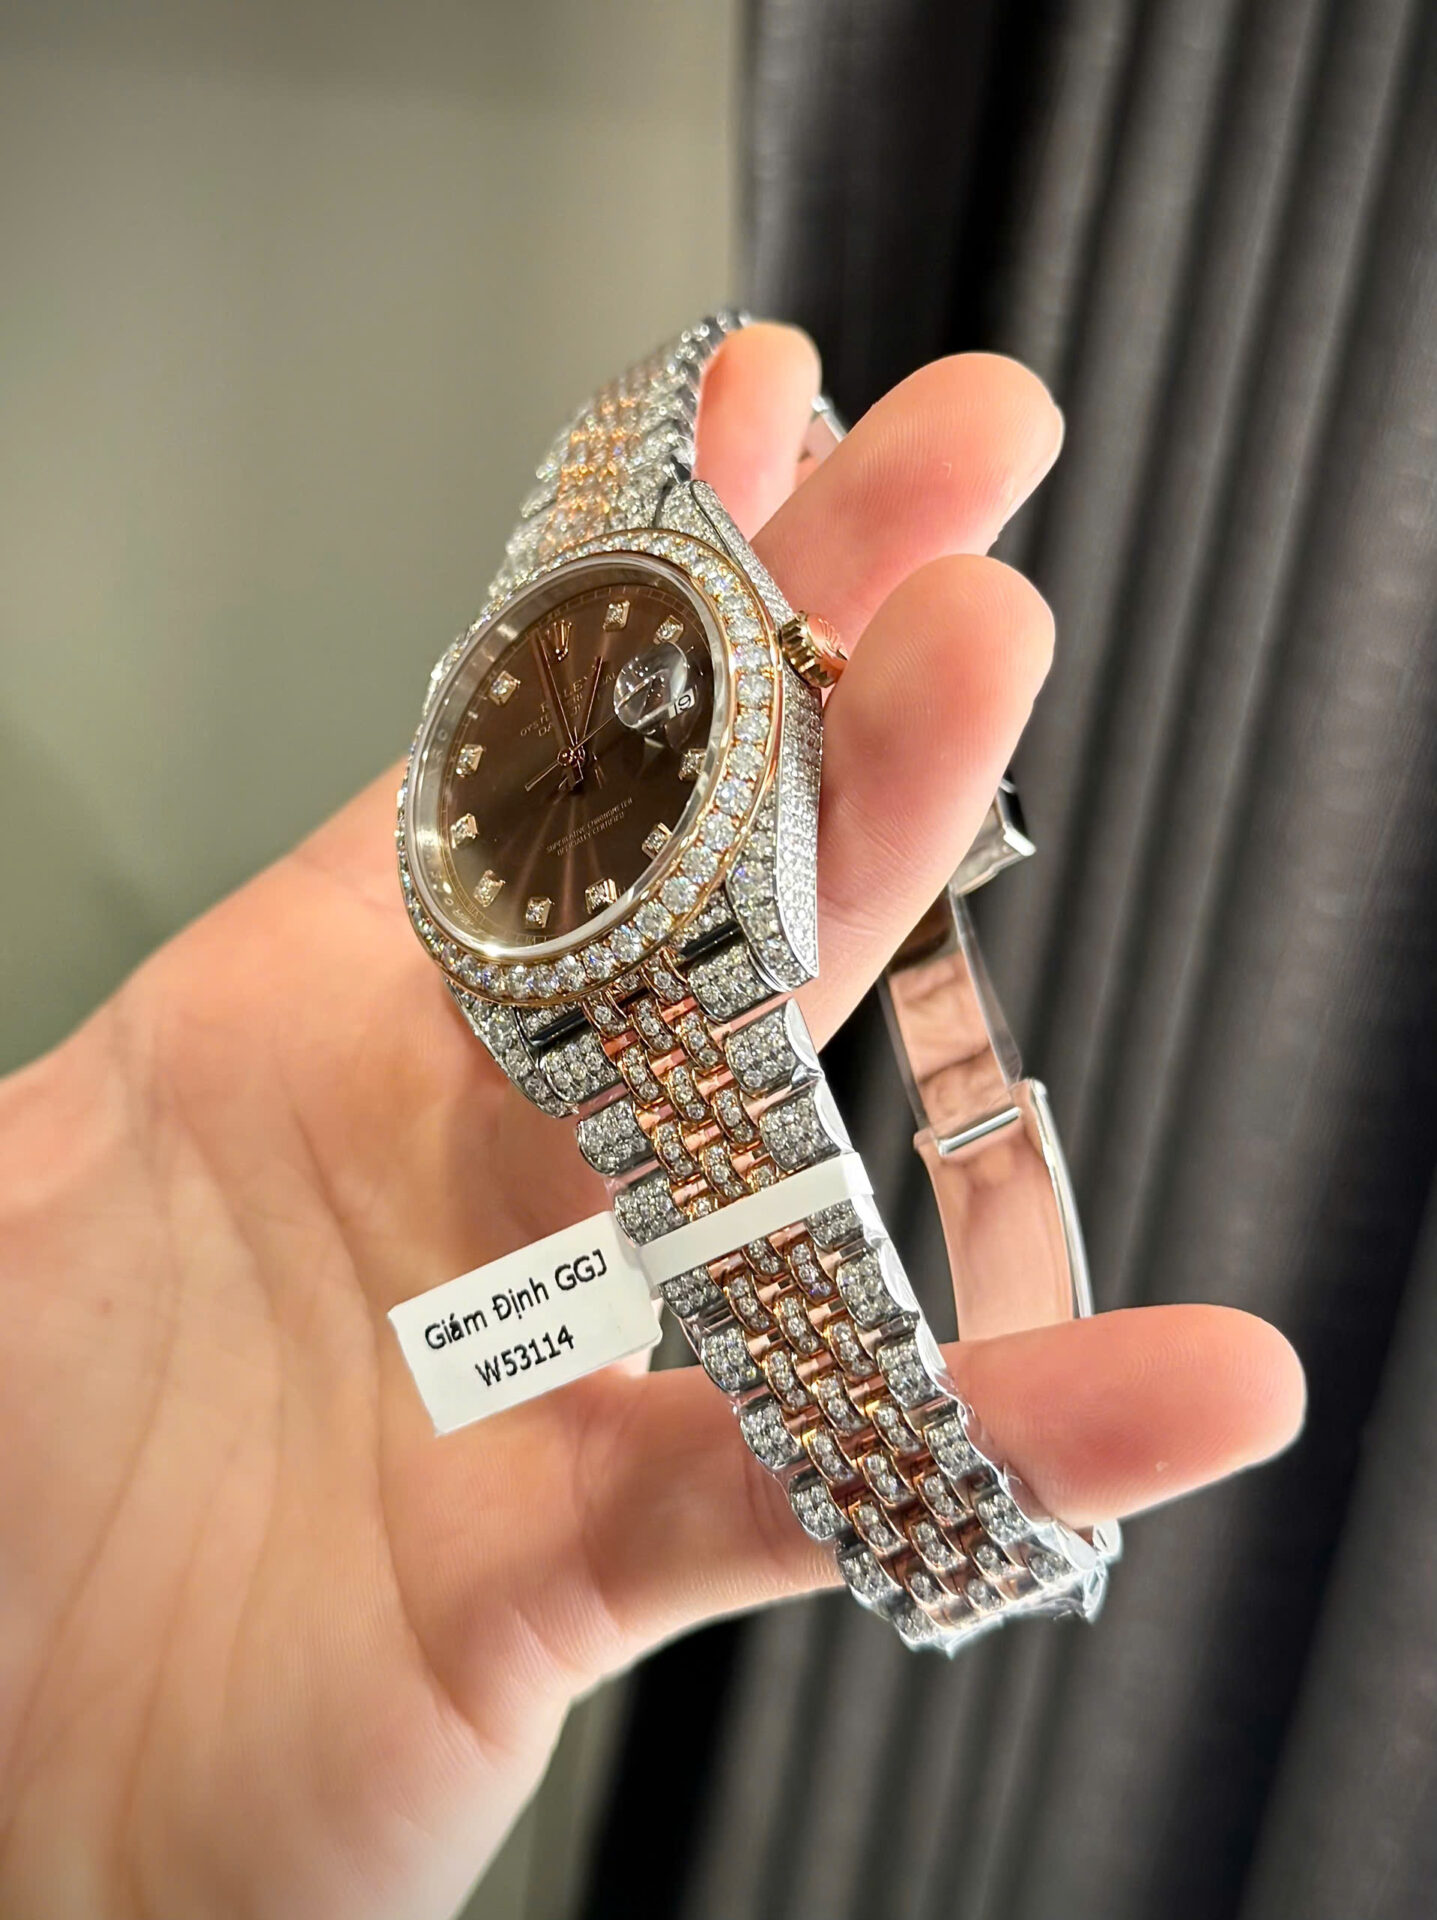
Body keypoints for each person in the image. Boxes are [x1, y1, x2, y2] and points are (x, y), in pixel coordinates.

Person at [0, 326, 1305, 1919]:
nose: (575, 748)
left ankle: (956, 1537)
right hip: (553, 959)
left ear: (787, 684)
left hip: (661, 947)